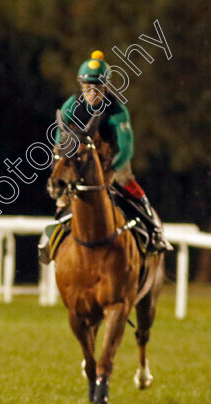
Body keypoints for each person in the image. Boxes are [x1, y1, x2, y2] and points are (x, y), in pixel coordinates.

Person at [39, 50, 170, 262]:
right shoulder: (71, 106)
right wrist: (59, 164)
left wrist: (115, 169)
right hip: (81, 161)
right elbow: (59, 140)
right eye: (87, 87)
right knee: (61, 195)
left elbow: (127, 148)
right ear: (80, 85)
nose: (92, 92)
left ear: (106, 86)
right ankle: (50, 241)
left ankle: (154, 230)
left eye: (97, 87)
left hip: (112, 160)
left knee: (127, 182)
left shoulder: (117, 111)